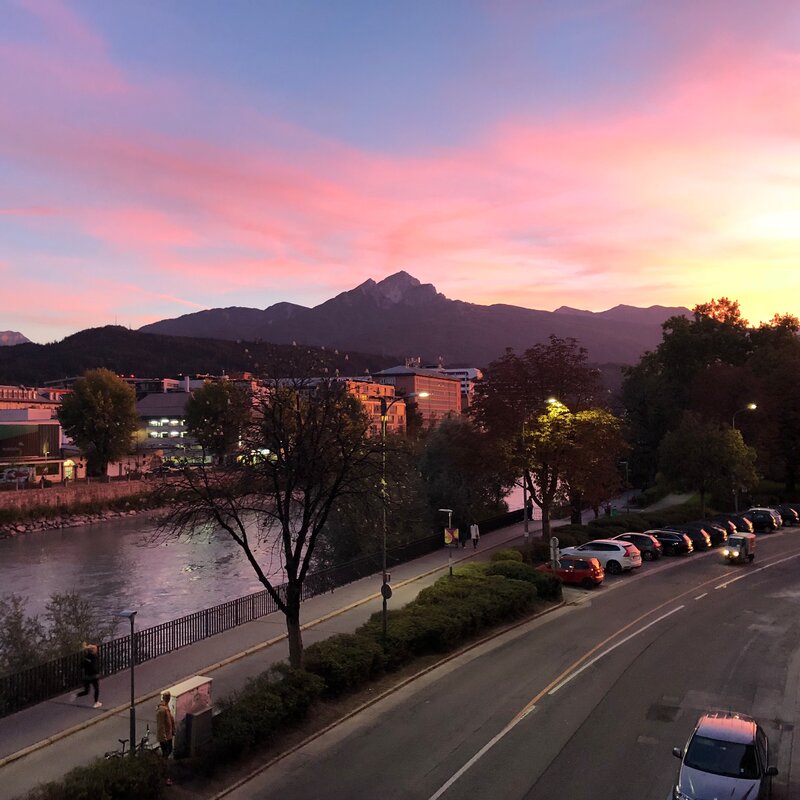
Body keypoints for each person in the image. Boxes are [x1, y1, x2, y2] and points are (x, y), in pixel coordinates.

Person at [75, 643, 101, 707]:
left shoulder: (86, 657)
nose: (97, 650)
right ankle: (96, 702)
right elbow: (94, 667)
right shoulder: (94, 657)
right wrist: (97, 673)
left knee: (86, 691)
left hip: (86, 676)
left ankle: (77, 695)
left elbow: (81, 665)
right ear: (93, 651)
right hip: (93, 676)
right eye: (96, 649)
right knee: (96, 689)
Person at [156, 691, 176, 758]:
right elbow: (160, 725)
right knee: (166, 752)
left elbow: (170, 720)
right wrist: (163, 737)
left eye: (169, 697)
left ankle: (165, 763)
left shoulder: (166, 707)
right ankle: (163, 764)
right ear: (164, 698)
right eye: (167, 697)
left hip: (169, 735)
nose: (168, 699)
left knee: (169, 750)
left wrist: (173, 730)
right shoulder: (161, 709)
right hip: (165, 737)